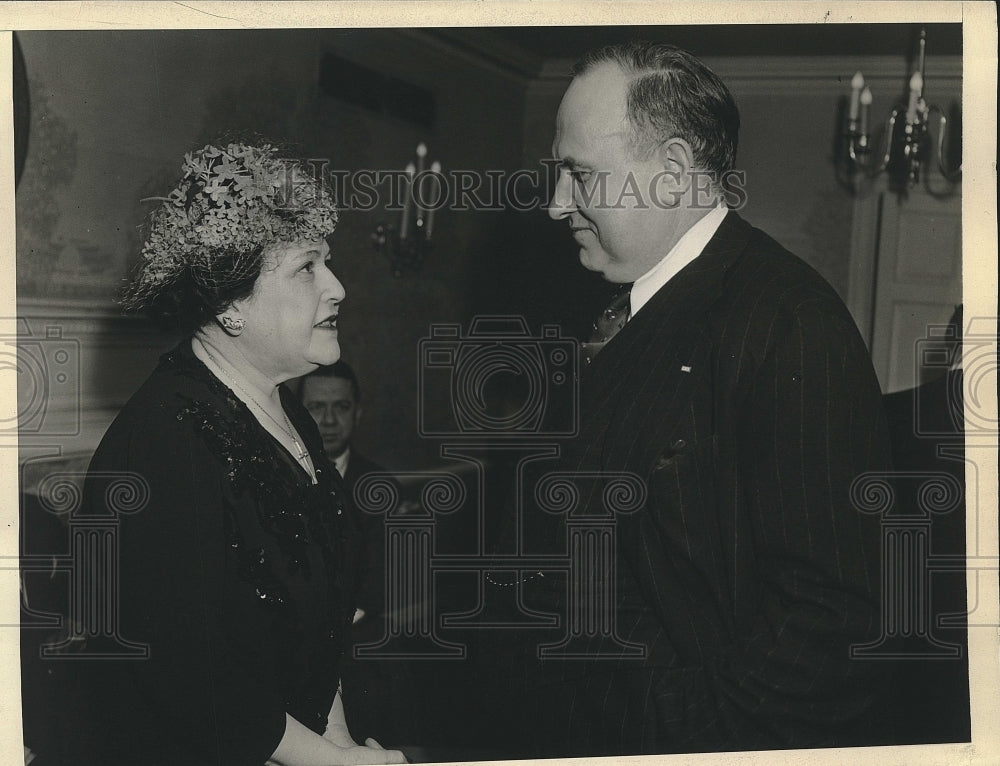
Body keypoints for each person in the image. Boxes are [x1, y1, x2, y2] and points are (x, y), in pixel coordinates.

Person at [486, 42, 893, 757]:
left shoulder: (786, 322)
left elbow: (832, 629)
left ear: (672, 173)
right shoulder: (634, 309)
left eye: (579, 175)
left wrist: (677, 736)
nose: (555, 205)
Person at [42, 142, 406, 766]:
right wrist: (335, 762)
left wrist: (336, 743)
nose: (338, 287)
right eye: (307, 267)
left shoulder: (285, 410)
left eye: (329, 262)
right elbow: (193, 677)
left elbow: (315, 630)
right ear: (229, 302)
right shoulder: (165, 443)